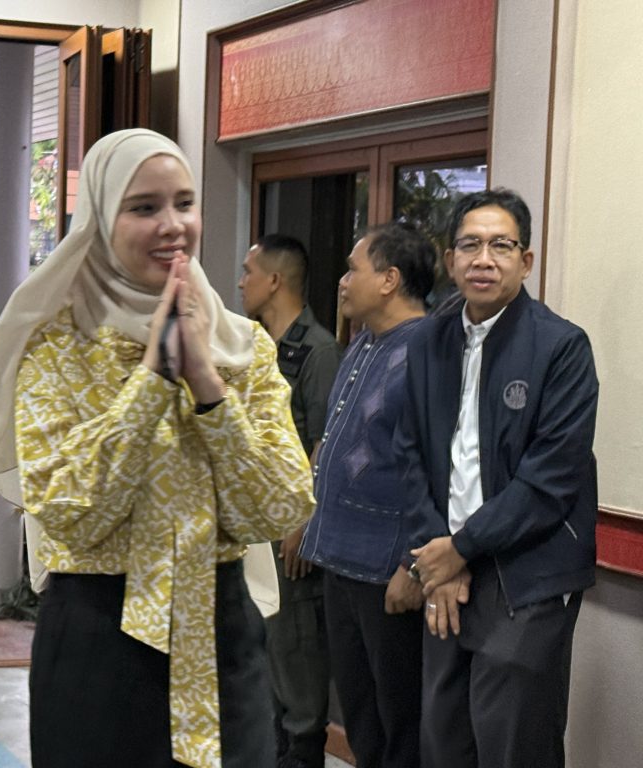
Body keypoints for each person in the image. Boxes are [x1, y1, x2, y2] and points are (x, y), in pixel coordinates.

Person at [0, 129, 315, 768]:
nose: (172, 225)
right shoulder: (56, 349)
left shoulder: (241, 348)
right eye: (144, 207)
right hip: (96, 643)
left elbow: (281, 504)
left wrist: (207, 386)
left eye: (184, 203)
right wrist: (151, 382)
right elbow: (70, 509)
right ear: (99, 219)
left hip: (222, 638)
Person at [397, 189, 599, 768]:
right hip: (446, 570)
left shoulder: (561, 347)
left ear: (525, 261)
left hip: (525, 574)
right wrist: (436, 555)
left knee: (513, 742)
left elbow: (550, 480)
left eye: (501, 245)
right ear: (450, 259)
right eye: (470, 245)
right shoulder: (427, 342)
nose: (483, 259)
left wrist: (461, 548)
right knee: (443, 739)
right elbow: (409, 455)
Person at [300, 222, 435, 768]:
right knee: (361, 718)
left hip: (388, 569)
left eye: (353, 268)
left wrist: (413, 564)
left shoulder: (428, 350)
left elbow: (438, 469)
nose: (342, 280)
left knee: (401, 721)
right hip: (340, 558)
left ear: (389, 280)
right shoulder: (362, 344)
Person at [239, 234, 341, 768]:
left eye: (249, 271)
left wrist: (306, 523)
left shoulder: (319, 351)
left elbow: (327, 444)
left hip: (292, 538)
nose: (241, 282)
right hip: (256, 532)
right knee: (267, 667)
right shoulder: (255, 347)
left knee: (297, 667)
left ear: (275, 280)